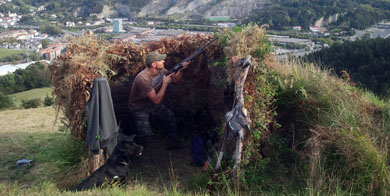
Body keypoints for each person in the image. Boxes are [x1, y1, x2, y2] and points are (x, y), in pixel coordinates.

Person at [128, 51, 189, 149]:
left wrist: (181, 70)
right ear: (153, 64)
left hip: (151, 104)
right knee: (145, 134)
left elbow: (176, 80)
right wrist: (164, 84)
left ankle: (173, 143)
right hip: (139, 108)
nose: (163, 61)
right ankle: (136, 150)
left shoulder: (162, 71)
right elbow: (156, 100)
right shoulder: (143, 78)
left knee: (170, 117)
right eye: (160, 60)